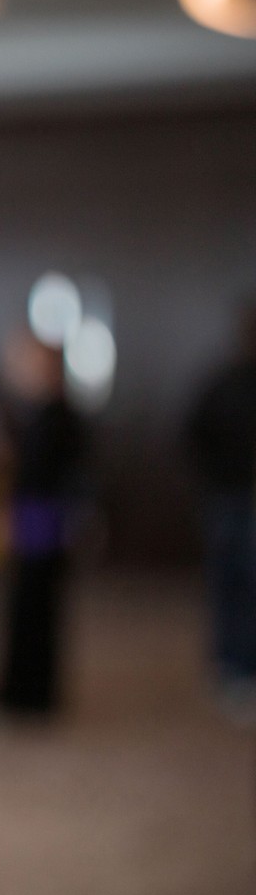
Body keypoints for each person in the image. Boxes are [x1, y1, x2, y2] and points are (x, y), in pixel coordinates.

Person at [0, 330, 85, 718]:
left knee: (35, 602)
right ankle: (23, 687)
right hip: (37, 515)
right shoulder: (42, 412)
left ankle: (30, 693)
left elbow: (40, 474)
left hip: (42, 517)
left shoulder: (56, 415)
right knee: (27, 603)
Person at [184, 302, 256, 722]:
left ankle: (238, 664)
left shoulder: (221, 380)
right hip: (229, 494)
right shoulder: (223, 382)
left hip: (231, 494)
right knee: (231, 581)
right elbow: (193, 432)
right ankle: (232, 664)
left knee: (239, 583)